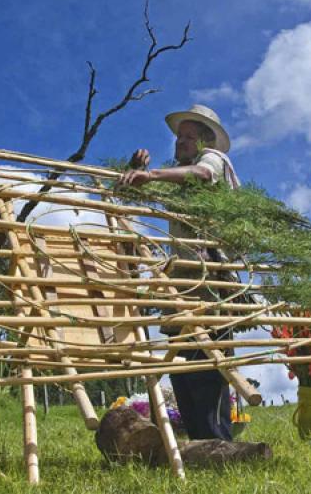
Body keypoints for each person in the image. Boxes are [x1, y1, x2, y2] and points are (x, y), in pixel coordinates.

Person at [118, 104, 239, 441]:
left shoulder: (214, 159)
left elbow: (202, 175)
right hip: (182, 282)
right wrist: (136, 172)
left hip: (210, 281)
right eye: (179, 137)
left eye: (188, 137)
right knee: (181, 366)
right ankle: (199, 444)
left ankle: (219, 443)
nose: (180, 142)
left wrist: (152, 175)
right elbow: (132, 194)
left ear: (204, 142)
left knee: (207, 364)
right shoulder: (176, 175)